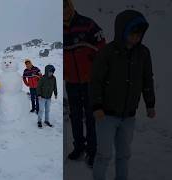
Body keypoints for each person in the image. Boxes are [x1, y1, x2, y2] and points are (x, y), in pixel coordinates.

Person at [91, 10, 156, 180]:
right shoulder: (107, 52)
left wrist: (150, 104)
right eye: (133, 33)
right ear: (122, 31)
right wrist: (97, 106)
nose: (136, 37)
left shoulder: (143, 53)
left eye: (139, 34)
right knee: (104, 155)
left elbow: (147, 79)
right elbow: (96, 81)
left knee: (124, 155)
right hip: (106, 116)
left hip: (128, 116)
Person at [64, 0, 106, 167]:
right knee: (75, 116)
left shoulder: (87, 24)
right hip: (72, 82)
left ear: (71, 6)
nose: (64, 11)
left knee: (91, 116)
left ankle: (92, 150)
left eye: (65, 6)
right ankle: (79, 147)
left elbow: (102, 48)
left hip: (90, 81)